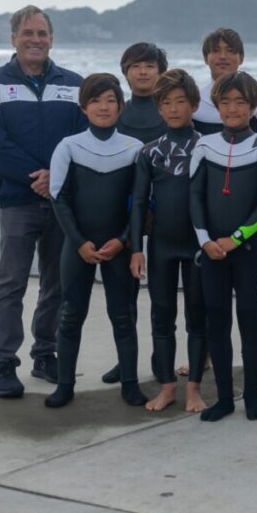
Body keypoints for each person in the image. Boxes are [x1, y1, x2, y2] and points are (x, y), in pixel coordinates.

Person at [0, 5, 86, 398]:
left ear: (51, 39)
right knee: (11, 284)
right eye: (28, 33)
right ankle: (3, 363)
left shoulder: (75, 85)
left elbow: (83, 138)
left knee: (56, 283)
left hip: (61, 203)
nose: (35, 40)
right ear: (14, 38)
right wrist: (38, 177)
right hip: (17, 203)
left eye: (42, 33)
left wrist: (57, 176)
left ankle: (45, 353)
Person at [44, 74, 146, 408]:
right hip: (78, 247)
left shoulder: (134, 149)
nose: (104, 107)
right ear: (83, 107)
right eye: (96, 100)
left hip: (118, 247)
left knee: (123, 316)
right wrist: (79, 243)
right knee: (71, 315)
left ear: (121, 106)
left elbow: (139, 204)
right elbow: (59, 199)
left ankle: (130, 384)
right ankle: (65, 385)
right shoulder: (69, 146)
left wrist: (123, 240)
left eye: (110, 100)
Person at [190, 71, 257, 422]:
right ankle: (225, 399)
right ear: (216, 105)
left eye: (240, 102)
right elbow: (195, 196)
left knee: (249, 319)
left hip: (247, 250)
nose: (232, 108)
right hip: (211, 250)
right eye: (225, 101)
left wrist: (237, 237)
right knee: (217, 322)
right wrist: (205, 241)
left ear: (252, 106)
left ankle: (253, 398)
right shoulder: (203, 145)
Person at [129, 69, 208, 412]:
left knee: (197, 318)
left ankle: (194, 390)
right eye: (166, 103)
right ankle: (166, 388)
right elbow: (138, 203)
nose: (174, 109)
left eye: (180, 102)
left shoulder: (208, 147)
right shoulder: (149, 153)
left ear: (194, 105)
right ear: (159, 108)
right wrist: (136, 249)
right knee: (161, 317)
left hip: (198, 246)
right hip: (161, 246)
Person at [101, 42, 170, 385]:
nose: (143, 72)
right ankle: (124, 359)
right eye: (135, 66)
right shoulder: (116, 113)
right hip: (120, 211)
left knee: (161, 294)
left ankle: (161, 358)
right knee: (122, 296)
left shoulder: (170, 111)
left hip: (164, 213)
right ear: (125, 72)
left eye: (150, 66)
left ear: (161, 72)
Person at [193, 28, 257, 135]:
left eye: (230, 51)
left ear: (241, 58)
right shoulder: (194, 102)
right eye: (215, 51)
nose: (223, 56)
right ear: (206, 58)